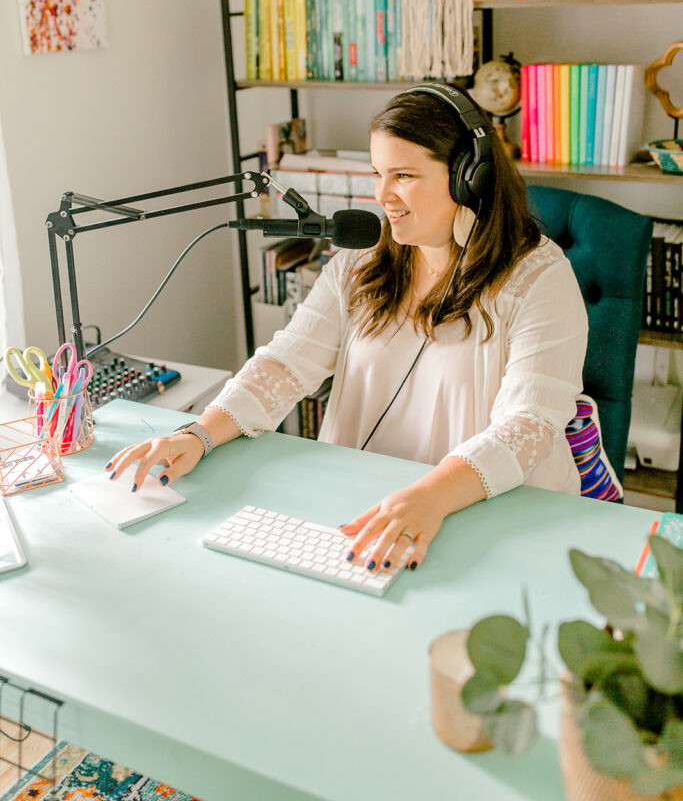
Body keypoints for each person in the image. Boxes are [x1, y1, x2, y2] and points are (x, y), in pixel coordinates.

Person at [107, 86, 588, 573]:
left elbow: (529, 424)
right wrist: (199, 434)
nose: (383, 196)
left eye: (404, 175)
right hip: (366, 509)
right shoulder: (363, 259)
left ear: (470, 178)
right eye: (378, 174)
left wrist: (429, 497)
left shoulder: (539, 278)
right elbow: (287, 361)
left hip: (484, 513)